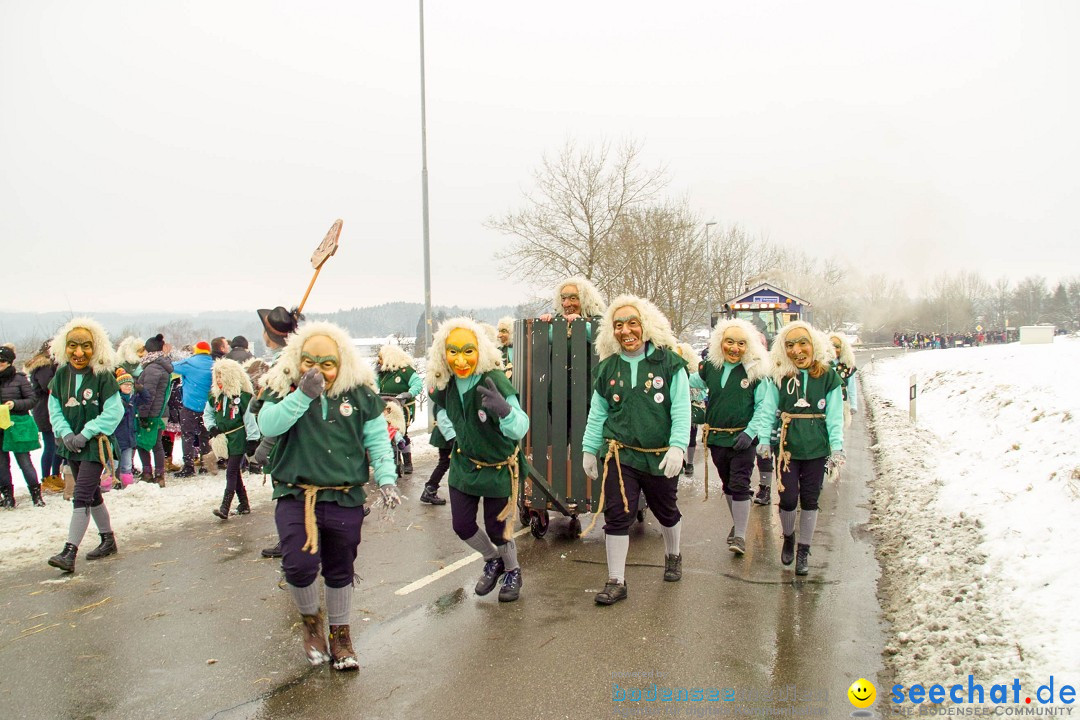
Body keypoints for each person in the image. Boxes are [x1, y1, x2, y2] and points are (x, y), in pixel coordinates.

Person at [258, 321, 398, 670]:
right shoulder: (284, 388)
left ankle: (341, 636)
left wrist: (386, 479)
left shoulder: (359, 394)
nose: (317, 370)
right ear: (297, 359)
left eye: (326, 363)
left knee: (340, 569)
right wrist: (302, 395)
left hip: (344, 495)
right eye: (309, 361)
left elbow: (377, 439)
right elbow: (269, 425)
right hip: (296, 494)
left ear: (342, 363)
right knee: (298, 565)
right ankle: (311, 625)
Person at [580, 295, 690, 605]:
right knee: (617, 514)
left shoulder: (670, 363)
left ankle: (673, 554)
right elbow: (597, 412)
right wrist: (590, 449)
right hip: (620, 453)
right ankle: (616, 580)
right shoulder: (608, 368)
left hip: (659, 454)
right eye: (618, 325)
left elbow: (682, 409)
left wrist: (678, 447)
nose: (626, 331)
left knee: (666, 511)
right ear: (610, 331)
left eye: (632, 323)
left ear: (646, 326)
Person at [427, 316, 531, 603]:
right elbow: (443, 410)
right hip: (464, 463)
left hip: (499, 467)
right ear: (443, 353)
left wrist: (506, 412)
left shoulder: (493, 379)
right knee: (462, 525)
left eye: (468, 351)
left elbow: (521, 426)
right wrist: (452, 434)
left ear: (480, 351)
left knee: (498, 528)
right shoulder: (446, 382)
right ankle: (492, 559)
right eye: (453, 352)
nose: (460, 360)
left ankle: (512, 570)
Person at [761, 321, 845, 576]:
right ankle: (788, 536)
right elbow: (767, 409)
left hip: (817, 449)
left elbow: (835, 415)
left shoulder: (829, 376)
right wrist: (764, 440)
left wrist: (837, 448)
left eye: (802, 343)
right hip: (787, 450)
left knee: (810, 499)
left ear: (813, 345)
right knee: (787, 498)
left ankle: (803, 550)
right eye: (789, 345)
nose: (796, 350)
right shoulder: (779, 376)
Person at [46, 317, 125, 573]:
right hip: (71, 445)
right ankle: (108, 539)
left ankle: (69, 552)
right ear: (63, 347)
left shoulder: (102, 375)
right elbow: (54, 407)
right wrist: (66, 433)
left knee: (81, 494)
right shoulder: (60, 374)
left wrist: (87, 432)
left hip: (95, 445)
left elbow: (114, 411)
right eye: (73, 346)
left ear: (96, 347)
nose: (79, 353)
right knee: (92, 495)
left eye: (86, 346)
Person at [696, 319, 773, 556]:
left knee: (740, 484)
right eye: (729, 342)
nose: (734, 348)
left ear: (748, 345)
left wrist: (750, 433)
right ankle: (737, 523)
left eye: (741, 343)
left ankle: (740, 536)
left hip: (743, 439)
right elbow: (689, 383)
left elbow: (763, 406)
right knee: (729, 485)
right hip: (718, 439)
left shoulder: (755, 371)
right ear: (720, 343)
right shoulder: (710, 367)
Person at [253, 305, 305, 560]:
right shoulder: (282, 358)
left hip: (287, 437)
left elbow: (287, 402)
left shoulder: (286, 362)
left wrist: (267, 444)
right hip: (284, 434)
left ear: (268, 334)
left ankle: (292, 544)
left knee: (289, 491)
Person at [204, 358, 259, 519]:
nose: (219, 379)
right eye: (217, 375)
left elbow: (249, 419)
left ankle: (225, 507)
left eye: (222, 375)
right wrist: (212, 427)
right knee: (235, 473)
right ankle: (244, 504)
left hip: (238, 437)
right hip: (224, 439)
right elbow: (208, 414)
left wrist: (253, 439)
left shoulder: (242, 398)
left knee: (231, 472)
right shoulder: (215, 397)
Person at [1, 344, 44, 508]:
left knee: (24, 461)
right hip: (0, 427)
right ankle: (8, 497)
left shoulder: (19, 379)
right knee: (2, 464)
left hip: (17, 425)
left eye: (3, 361)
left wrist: (15, 404)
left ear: (10, 362)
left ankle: (36, 495)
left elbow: (32, 399)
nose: (0, 363)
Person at [374, 344, 424, 475]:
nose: (378, 360)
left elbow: (417, 384)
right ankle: (393, 461)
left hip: (403, 408)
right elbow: (373, 386)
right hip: (386, 408)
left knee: (402, 432)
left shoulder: (406, 371)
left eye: (381, 358)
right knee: (388, 432)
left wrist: (409, 393)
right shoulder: (383, 373)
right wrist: (374, 374)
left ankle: (408, 462)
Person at [25, 340, 63, 493]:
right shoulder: (44, 366)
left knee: (58, 445)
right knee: (51, 445)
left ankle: (55, 475)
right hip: (45, 410)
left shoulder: (49, 365)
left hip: (49, 408)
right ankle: (47, 478)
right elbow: (50, 386)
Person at [171, 340, 214, 477]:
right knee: (205, 435)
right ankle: (205, 464)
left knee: (187, 435)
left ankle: (189, 466)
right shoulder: (213, 364)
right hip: (207, 407)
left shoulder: (190, 363)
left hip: (190, 406)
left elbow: (171, 367)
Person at [135, 333, 173, 486]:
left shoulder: (152, 368)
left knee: (143, 442)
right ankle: (159, 474)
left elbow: (148, 394)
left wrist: (143, 415)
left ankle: (148, 473)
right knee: (157, 443)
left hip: (152, 413)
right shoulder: (162, 365)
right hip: (161, 411)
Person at [113, 367, 146, 490]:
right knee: (113, 464)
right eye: (125, 385)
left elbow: (146, 399)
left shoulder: (133, 399)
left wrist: (141, 389)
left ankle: (127, 485)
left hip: (129, 437)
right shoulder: (116, 400)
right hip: (117, 437)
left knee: (126, 465)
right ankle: (110, 484)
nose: (128, 387)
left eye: (130, 385)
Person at [676, 343, 705, 477]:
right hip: (675, 408)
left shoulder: (694, 372)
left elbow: (701, 391)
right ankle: (679, 459)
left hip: (691, 408)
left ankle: (691, 462)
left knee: (691, 436)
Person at [420, 393, 452, 505]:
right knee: (444, 463)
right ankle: (429, 489)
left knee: (445, 463)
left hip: (446, 435)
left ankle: (430, 489)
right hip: (447, 436)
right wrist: (453, 439)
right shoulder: (445, 395)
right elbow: (443, 419)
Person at [828, 333, 859, 428]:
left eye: (837, 347)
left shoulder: (847, 366)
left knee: (837, 431)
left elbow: (852, 387)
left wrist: (853, 405)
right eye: (831, 346)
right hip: (824, 404)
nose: (834, 350)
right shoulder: (821, 364)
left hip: (841, 404)